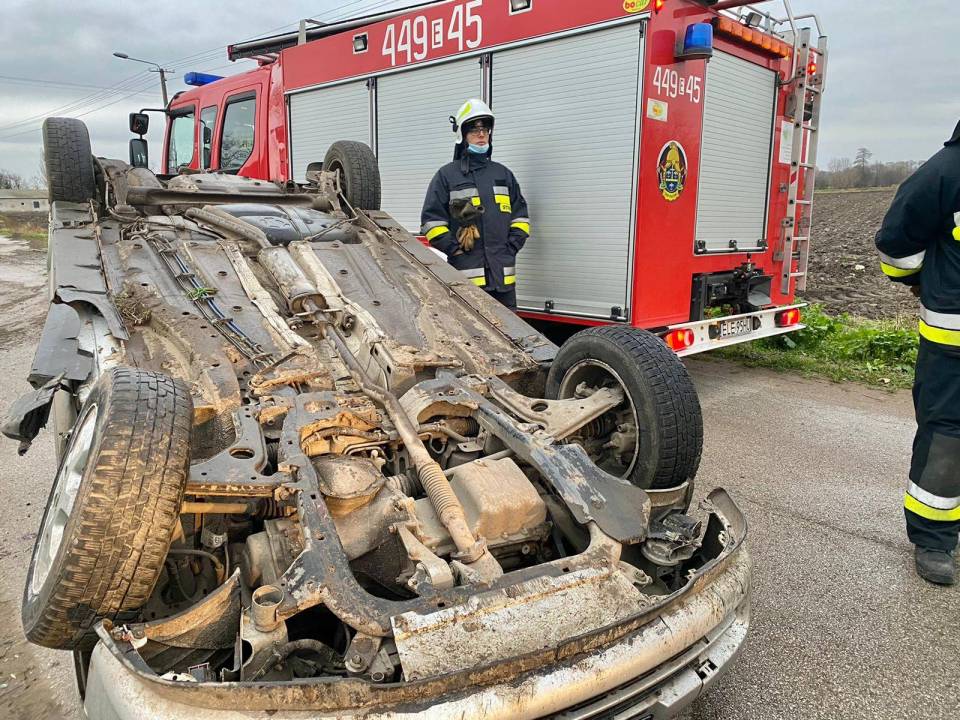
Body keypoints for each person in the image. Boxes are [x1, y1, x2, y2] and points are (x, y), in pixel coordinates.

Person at [875, 119, 960, 586]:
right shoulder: (948, 172)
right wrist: (920, 281)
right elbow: (896, 240)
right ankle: (934, 538)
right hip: (953, 351)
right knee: (947, 439)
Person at [420, 99, 530, 310]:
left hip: (503, 281)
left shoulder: (503, 174)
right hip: (467, 284)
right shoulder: (447, 176)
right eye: (474, 129)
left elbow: (521, 218)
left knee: (509, 330)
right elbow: (431, 223)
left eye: (485, 129)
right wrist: (455, 251)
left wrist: (510, 248)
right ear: (462, 135)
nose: (481, 134)